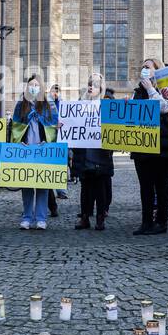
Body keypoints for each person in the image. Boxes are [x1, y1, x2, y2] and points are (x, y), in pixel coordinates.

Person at [132, 57, 168, 236]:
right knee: (145, 186)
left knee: (163, 186)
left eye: (148, 67)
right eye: (142, 67)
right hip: (142, 147)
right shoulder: (138, 91)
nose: (144, 69)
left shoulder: (167, 89)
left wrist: (151, 89)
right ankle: (146, 222)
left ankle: (161, 221)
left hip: (163, 147)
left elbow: (166, 108)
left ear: (157, 71)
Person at [11, 74, 59, 229]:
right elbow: (15, 126)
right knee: (27, 185)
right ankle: (26, 217)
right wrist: (20, 141)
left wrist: (49, 138)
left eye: (36, 84)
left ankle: (41, 218)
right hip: (26, 148)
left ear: (41, 87)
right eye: (31, 84)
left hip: (42, 147)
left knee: (42, 185)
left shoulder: (48, 104)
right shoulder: (21, 104)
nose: (33, 87)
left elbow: (53, 125)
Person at [73, 82, 113, 229]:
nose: (91, 87)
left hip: (100, 152)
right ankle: (85, 217)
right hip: (84, 152)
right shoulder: (80, 103)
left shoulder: (107, 103)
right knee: (85, 187)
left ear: (101, 89)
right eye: (89, 84)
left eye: (95, 85)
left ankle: (100, 218)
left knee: (100, 187)